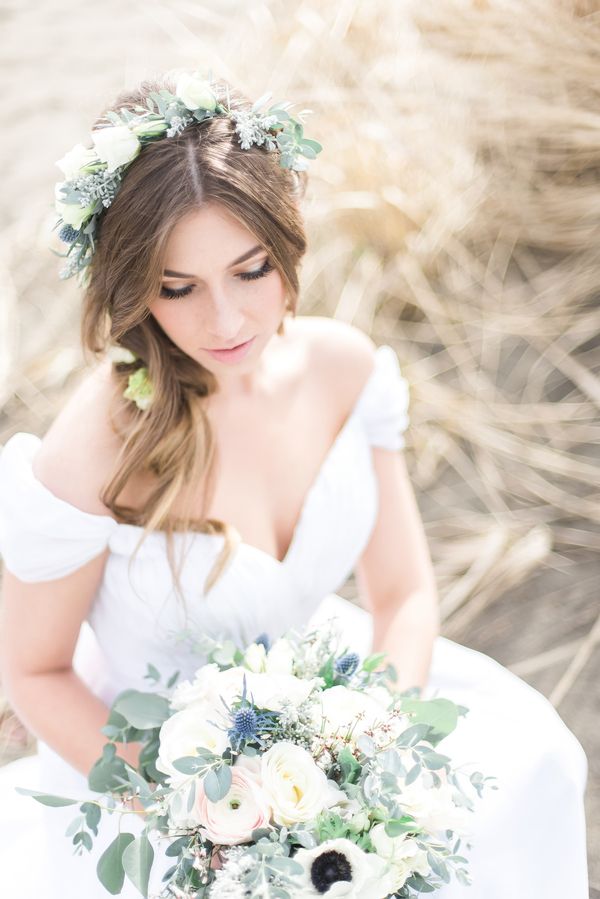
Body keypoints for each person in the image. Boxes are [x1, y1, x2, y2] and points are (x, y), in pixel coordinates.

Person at [0, 69, 589, 899]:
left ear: (288, 244)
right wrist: (203, 815)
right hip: (164, 783)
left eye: (252, 270)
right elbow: (34, 672)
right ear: (134, 287)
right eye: (179, 288)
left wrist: (369, 754)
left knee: (534, 763)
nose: (229, 320)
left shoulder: (341, 367)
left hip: (337, 714)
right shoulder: (99, 443)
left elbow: (403, 593)